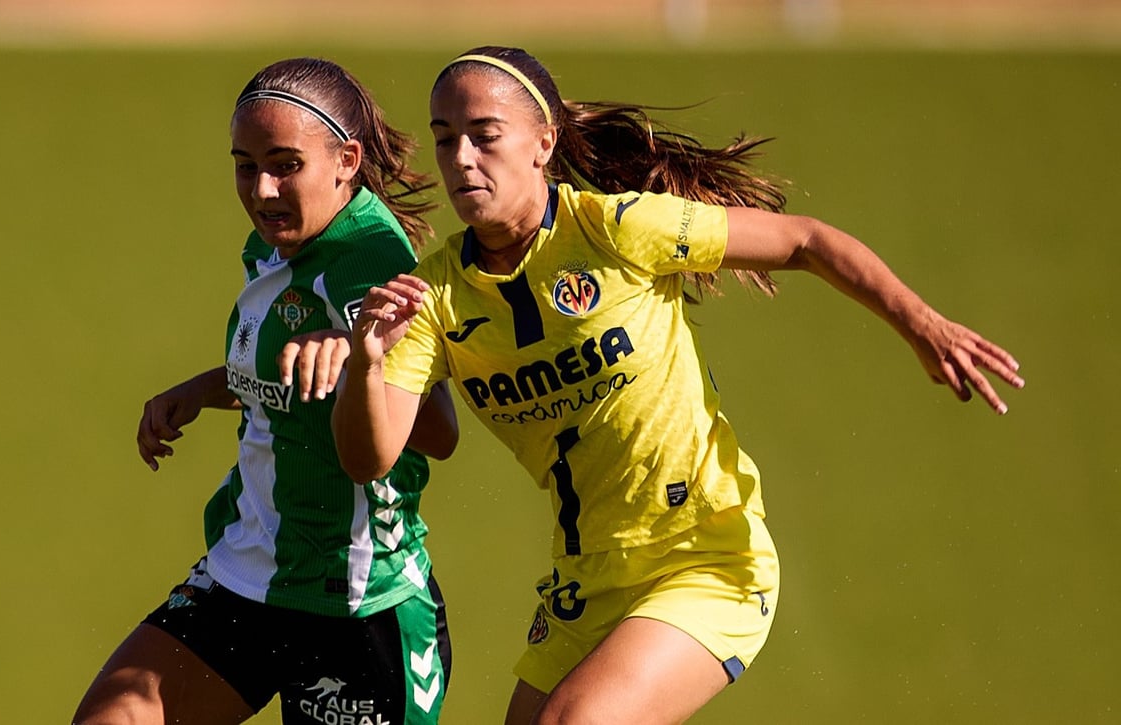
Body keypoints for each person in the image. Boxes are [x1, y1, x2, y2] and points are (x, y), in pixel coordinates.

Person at [331, 46, 1025, 724]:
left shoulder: (616, 229)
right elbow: (370, 458)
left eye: (484, 136)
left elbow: (804, 241)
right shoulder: (433, 298)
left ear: (543, 143)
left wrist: (923, 324)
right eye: (445, 139)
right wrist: (365, 360)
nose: (460, 160)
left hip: (706, 558)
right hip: (587, 580)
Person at [73, 57, 458, 725]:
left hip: (355, 604)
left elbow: (438, 429)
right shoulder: (275, 245)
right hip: (246, 574)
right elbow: (288, 368)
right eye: (246, 166)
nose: (263, 188)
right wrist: (202, 388)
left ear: (346, 159)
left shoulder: (370, 262)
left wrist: (358, 364)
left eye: (285, 164)